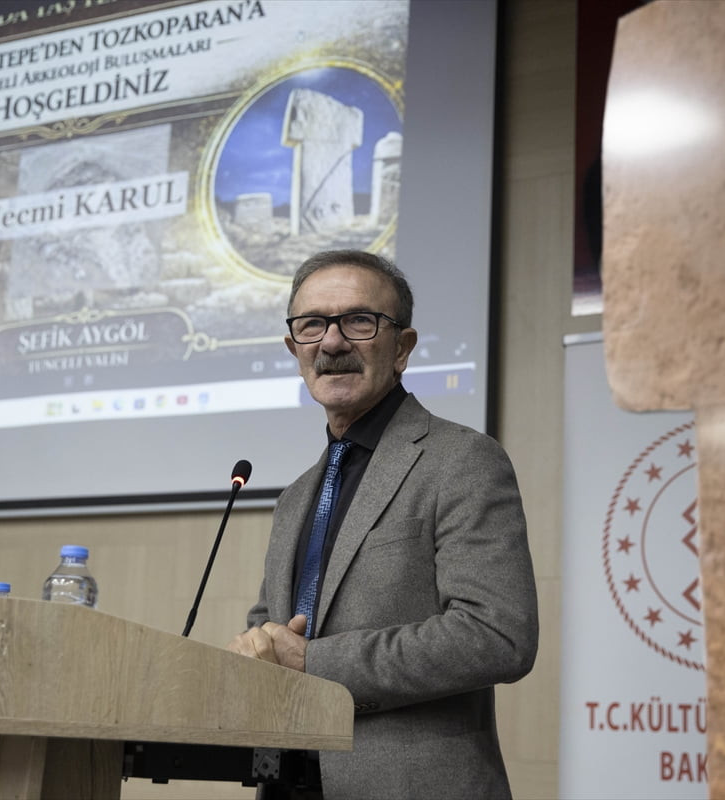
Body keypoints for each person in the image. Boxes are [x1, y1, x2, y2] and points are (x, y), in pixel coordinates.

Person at [228, 250, 539, 800]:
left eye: (358, 321)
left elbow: (498, 635)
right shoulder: (296, 497)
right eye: (312, 325)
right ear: (294, 349)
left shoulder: (462, 460)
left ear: (402, 348)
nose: (331, 343)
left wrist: (313, 661)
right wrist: (254, 650)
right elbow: (274, 628)